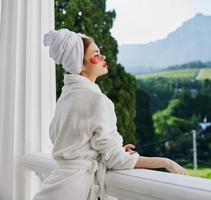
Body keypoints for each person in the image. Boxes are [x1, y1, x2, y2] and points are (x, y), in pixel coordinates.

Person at [33, 29, 187, 200]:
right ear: (81, 65)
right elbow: (115, 160)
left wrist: (99, 151)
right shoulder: (98, 100)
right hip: (75, 190)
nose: (103, 58)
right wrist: (165, 162)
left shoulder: (66, 97)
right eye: (96, 54)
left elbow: (69, 141)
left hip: (55, 185)